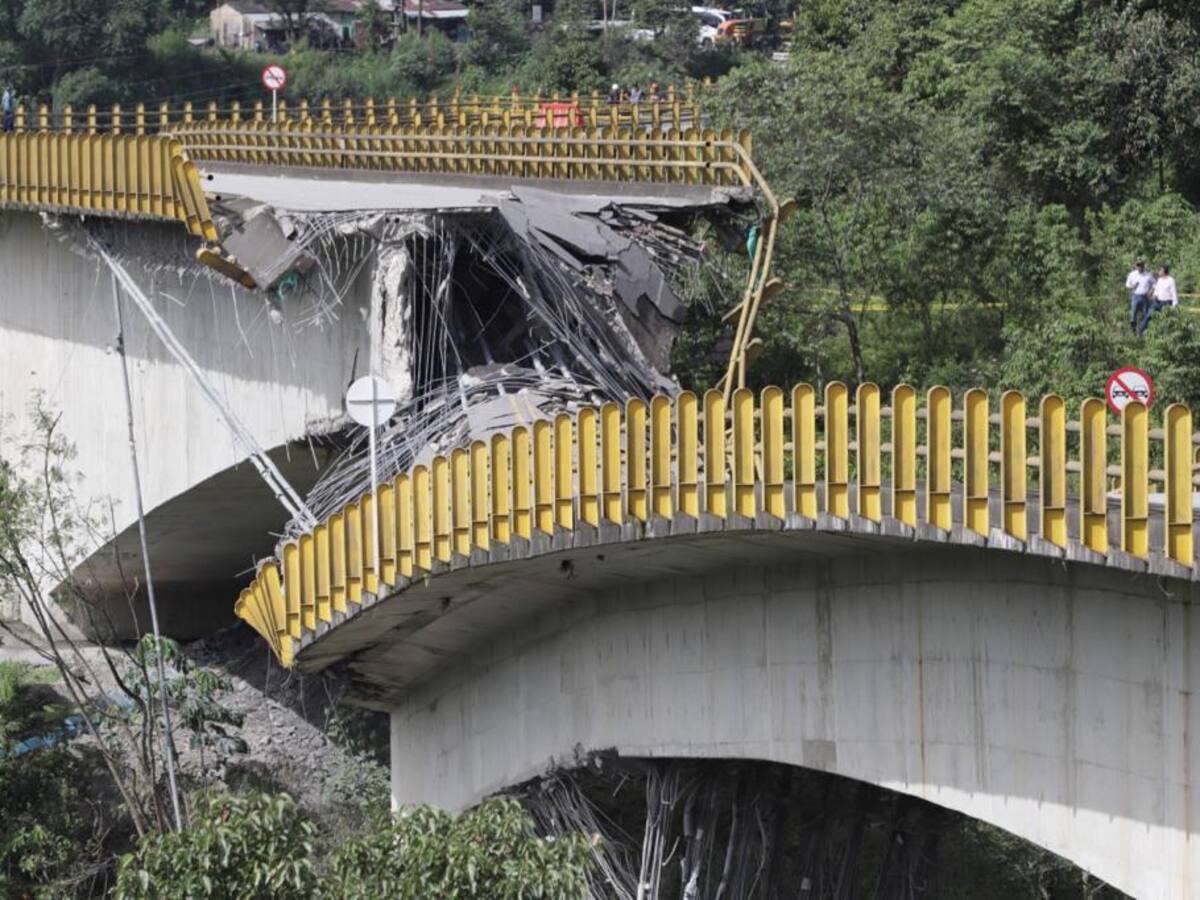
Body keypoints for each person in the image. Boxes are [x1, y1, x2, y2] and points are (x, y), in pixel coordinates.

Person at [1126, 258, 1154, 336]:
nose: (1140, 267)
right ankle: (1133, 331)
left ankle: (1142, 331)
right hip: (1135, 296)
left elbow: (1154, 284)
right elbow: (1127, 285)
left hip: (1145, 296)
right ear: (1135, 266)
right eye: (1138, 265)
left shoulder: (1148, 275)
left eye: (1141, 265)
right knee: (1133, 314)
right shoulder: (1132, 274)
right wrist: (1132, 286)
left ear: (1143, 266)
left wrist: (1151, 291)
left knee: (1145, 314)